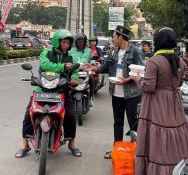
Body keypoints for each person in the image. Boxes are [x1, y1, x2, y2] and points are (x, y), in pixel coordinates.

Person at [15, 29, 82, 158]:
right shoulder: (46, 52)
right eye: (63, 42)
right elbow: (45, 65)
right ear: (57, 42)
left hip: (62, 89)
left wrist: (74, 79)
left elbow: (74, 70)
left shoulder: (71, 56)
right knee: (29, 113)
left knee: (70, 115)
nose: (66, 45)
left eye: (68, 43)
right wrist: (63, 67)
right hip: (43, 88)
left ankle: (72, 143)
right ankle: (25, 144)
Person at [133, 27, 188, 175]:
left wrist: (138, 80)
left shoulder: (154, 61)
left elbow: (149, 87)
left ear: (158, 41)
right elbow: (180, 84)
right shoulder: (180, 62)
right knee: (173, 136)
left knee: (157, 137)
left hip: (156, 103)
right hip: (174, 104)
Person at [84, 25, 145, 159]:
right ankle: (117, 149)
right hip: (116, 93)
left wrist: (127, 79)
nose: (113, 39)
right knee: (117, 122)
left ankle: (137, 151)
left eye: (114, 37)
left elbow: (141, 70)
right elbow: (106, 67)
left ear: (120, 37)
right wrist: (94, 67)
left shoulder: (135, 51)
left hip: (131, 94)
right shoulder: (113, 51)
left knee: (133, 122)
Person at [69, 32, 96, 107]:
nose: (80, 42)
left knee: (92, 79)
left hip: (85, 71)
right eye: (78, 40)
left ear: (85, 41)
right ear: (76, 41)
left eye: (82, 40)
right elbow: (67, 61)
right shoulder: (71, 51)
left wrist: (92, 65)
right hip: (74, 72)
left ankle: (91, 97)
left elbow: (92, 60)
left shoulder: (88, 50)